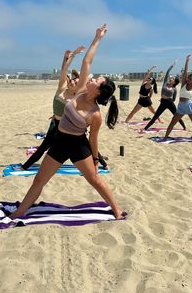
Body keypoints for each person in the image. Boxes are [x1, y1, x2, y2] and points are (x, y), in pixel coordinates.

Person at [10, 24, 125, 220]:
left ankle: (117, 210)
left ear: (98, 91)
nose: (93, 78)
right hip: (59, 142)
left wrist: (96, 160)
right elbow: (87, 61)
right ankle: (19, 213)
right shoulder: (80, 90)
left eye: (97, 80)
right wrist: (97, 38)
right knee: (39, 179)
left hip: (78, 147)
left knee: (94, 180)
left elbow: (93, 140)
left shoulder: (95, 114)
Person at [20, 47, 84, 171]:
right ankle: (25, 167)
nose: (72, 82)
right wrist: (68, 57)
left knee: (81, 145)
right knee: (44, 146)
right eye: (72, 80)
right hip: (55, 124)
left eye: (76, 82)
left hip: (68, 125)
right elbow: (63, 72)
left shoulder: (77, 97)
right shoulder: (61, 88)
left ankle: (101, 163)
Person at [164, 54, 192, 141]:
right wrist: (187, 61)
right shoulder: (183, 84)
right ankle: (165, 137)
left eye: (190, 79)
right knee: (173, 121)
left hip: (189, 106)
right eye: (188, 78)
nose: (188, 79)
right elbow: (185, 72)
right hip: (181, 106)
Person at [143, 60, 186, 131]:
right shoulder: (165, 83)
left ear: (175, 82)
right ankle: (145, 128)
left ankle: (184, 127)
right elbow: (167, 72)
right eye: (171, 78)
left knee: (176, 116)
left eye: (172, 79)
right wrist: (173, 65)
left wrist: (169, 100)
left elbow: (174, 98)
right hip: (163, 102)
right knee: (156, 116)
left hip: (170, 103)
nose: (171, 78)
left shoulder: (174, 89)